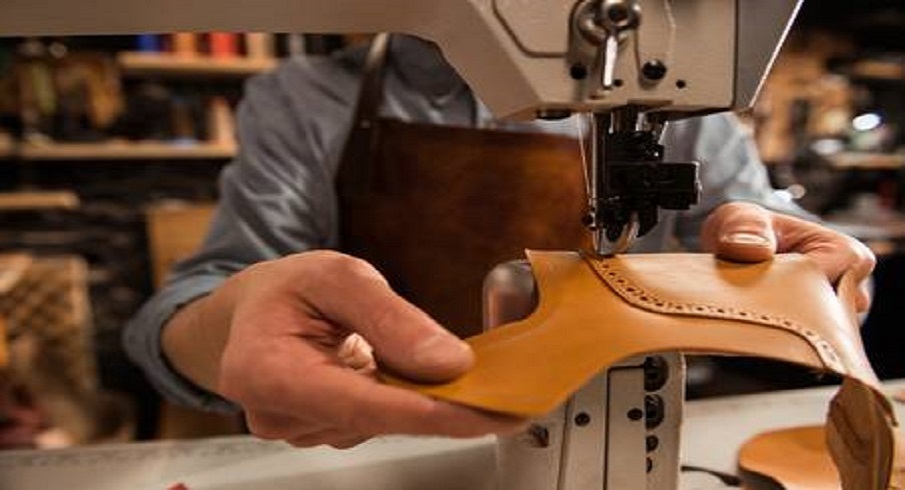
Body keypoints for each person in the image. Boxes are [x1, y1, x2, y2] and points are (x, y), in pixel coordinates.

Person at [123, 35, 875, 449]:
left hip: (634, 429)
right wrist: (224, 329)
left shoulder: (676, 97)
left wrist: (795, 270)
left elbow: (757, 227)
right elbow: (189, 306)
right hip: (376, 441)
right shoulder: (306, 97)